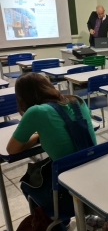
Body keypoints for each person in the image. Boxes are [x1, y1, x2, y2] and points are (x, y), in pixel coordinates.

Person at [6, 72, 97, 231]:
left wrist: (36, 136)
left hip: (69, 192)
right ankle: (62, 221)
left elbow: (11, 149)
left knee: (28, 183)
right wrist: (41, 134)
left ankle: (55, 224)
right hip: (94, 180)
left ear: (22, 97)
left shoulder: (36, 112)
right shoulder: (78, 101)